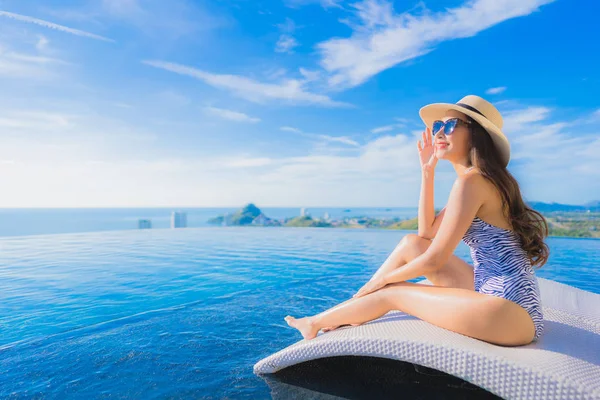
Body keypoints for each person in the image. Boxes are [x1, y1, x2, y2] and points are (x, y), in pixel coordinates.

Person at [284, 95, 549, 346]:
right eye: (438, 125)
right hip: (504, 301)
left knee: (392, 292)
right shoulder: (476, 180)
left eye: (452, 123)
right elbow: (426, 233)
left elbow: (434, 259)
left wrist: (381, 281)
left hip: (509, 312)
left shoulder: (472, 181)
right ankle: (350, 308)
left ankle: (318, 321)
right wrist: (427, 172)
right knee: (411, 244)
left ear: (476, 134)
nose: (440, 132)